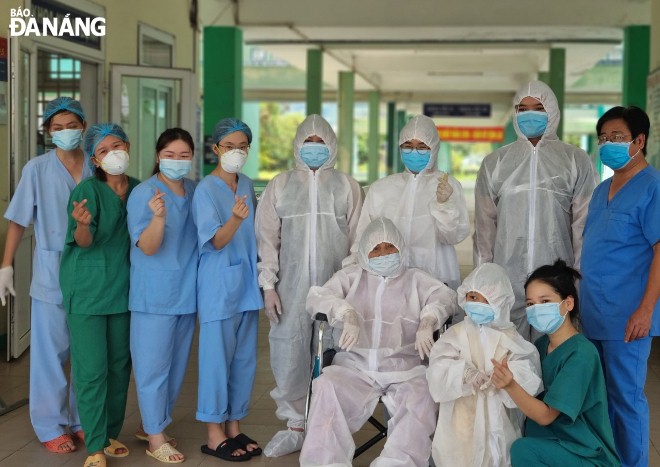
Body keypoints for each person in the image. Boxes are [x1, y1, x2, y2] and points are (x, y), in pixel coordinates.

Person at [300, 217, 456, 467]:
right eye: (376, 248)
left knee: (424, 395)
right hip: (355, 367)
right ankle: (327, 463)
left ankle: (396, 463)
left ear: (400, 248)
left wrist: (429, 319)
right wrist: (345, 312)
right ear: (364, 252)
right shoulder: (351, 277)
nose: (384, 253)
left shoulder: (416, 279)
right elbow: (317, 297)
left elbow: (446, 297)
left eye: (389, 247)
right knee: (327, 385)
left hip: (405, 368)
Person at [255, 114, 363, 457]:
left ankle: (328, 425)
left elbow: (359, 240)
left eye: (320, 143)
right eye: (308, 143)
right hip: (291, 288)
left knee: (338, 355)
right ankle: (294, 425)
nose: (314, 149)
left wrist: (349, 285)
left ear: (332, 146)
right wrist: (268, 285)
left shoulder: (348, 186)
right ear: (297, 146)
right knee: (288, 355)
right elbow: (267, 239)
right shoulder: (281, 185)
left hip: (337, 289)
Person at [0, 97, 91, 453]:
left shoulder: (97, 167)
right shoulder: (36, 169)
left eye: (72, 125)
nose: (66, 132)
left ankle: (84, 419)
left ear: (83, 127)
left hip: (93, 273)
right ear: (47, 132)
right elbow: (18, 220)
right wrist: (6, 264)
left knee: (87, 354)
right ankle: (51, 423)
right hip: (52, 274)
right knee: (50, 355)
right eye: (58, 127)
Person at [473, 80, 598, 341]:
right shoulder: (495, 163)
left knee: (553, 347)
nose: (529, 113)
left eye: (537, 107)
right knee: (508, 349)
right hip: (506, 274)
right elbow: (484, 230)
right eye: (522, 108)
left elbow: (583, 226)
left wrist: (577, 282)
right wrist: (483, 280)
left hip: (555, 273)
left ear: (551, 110)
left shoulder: (575, 160)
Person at [580, 106, 660, 467]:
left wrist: (645, 310)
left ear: (638, 141)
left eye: (617, 137)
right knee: (600, 399)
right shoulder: (601, 191)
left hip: (628, 318)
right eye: (603, 138)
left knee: (626, 399)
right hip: (595, 313)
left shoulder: (653, 187)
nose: (607, 144)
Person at [60, 123, 139, 467]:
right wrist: (80, 224)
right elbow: (84, 241)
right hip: (88, 292)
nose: (112, 155)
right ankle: (94, 445)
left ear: (129, 146)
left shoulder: (139, 190)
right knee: (92, 370)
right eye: (104, 151)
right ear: (94, 158)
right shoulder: (87, 192)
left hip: (123, 291)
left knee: (120, 367)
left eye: (117, 146)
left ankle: (108, 434)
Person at [491, 260, 620, 467]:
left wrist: (510, 385)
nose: (536, 309)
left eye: (545, 301)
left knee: (522, 450)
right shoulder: (541, 345)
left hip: (583, 453)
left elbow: (546, 416)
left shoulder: (581, 354)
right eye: (530, 304)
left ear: (568, 303)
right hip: (555, 444)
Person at [193, 118, 263, 462]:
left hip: (246, 287)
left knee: (243, 362)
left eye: (243, 146)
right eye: (229, 146)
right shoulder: (206, 189)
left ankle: (234, 427)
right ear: (215, 149)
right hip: (219, 288)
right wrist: (234, 219)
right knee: (215, 363)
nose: (236, 153)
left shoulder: (247, 183)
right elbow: (216, 241)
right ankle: (214, 432)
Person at [126, 128, 198, 464]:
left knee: (176, 367)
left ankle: (152, 424)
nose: (177, 161)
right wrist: (158, 217)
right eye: (171, 155)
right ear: (158, 156)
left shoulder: (194, 191)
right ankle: (156, 437)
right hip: (154, 295)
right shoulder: (145, 193)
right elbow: (149, 247)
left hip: (185, 291)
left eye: (184, 155)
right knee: (153, 367)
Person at [427, 263, 542, 466]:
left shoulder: (511, 337)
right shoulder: (456, 333)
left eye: (484, 298)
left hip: (501, 421)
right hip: (460, 421)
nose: (476, 303)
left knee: (500, 456)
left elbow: (528, 374)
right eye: (472, 297)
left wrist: (508, 377)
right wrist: (464, 374)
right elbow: (437, 369)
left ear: (499, 301)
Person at [348, 114, 469, 290]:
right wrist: (352, 270)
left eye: (422, 147)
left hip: (436, 275)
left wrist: (444, 206)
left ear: (434, 148)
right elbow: (363, 237)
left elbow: (452, 236)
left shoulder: (447, 186)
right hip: (388, 277)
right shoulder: (381, 189)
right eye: (408, 146)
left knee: (436, 314)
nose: (414, 152)